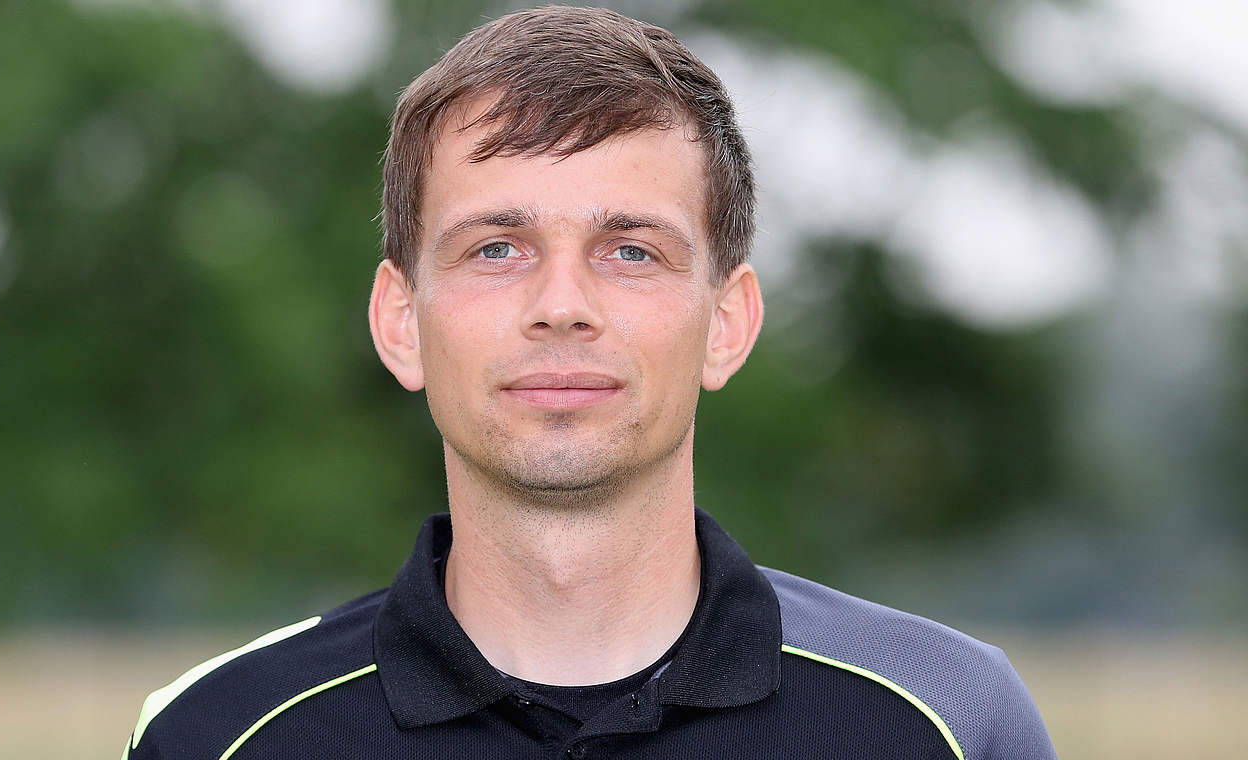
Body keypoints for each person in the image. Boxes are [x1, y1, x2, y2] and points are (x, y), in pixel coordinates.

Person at [122, 6, 1056, 759]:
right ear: (401, 323)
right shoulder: (219, 735)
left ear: (726, 324)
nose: (561, 304)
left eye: (630, 250)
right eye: (496, 247)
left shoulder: (946, 723)